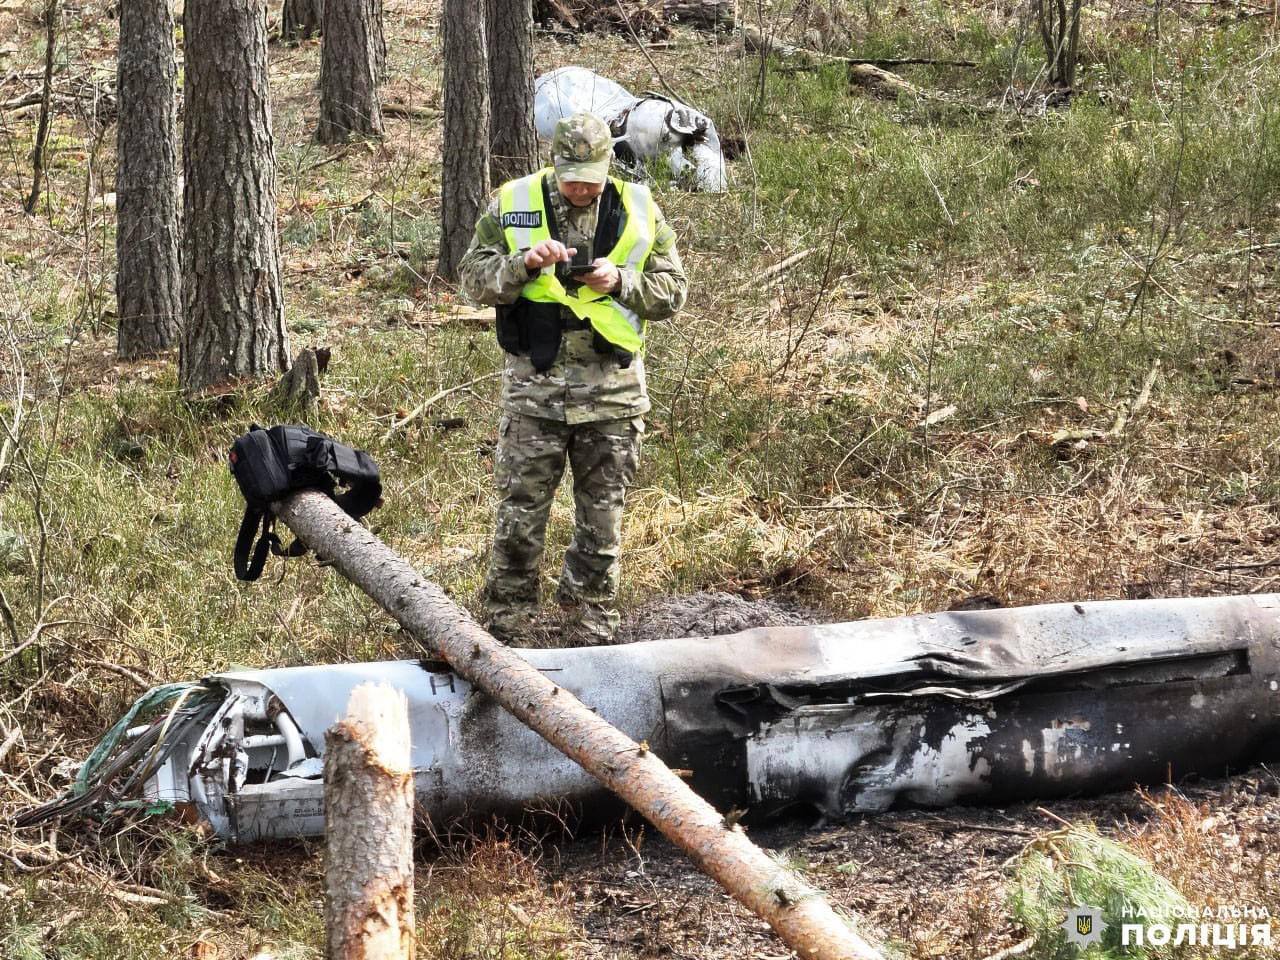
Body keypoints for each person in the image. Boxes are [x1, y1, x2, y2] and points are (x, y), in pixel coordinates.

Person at [459, 112, 689, 645]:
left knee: (602, 520)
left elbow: (673, 291)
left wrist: (622, 280)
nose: (581, 187)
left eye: (591, 176)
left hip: (613, 391)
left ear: (610, 164)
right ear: (553, 164)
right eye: (571, 176)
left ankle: (587, 619)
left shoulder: (639, 207)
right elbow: (472, 277)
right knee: (519, 516)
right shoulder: (513, 202)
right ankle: (508, 623)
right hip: (533, 392)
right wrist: (521, 266)